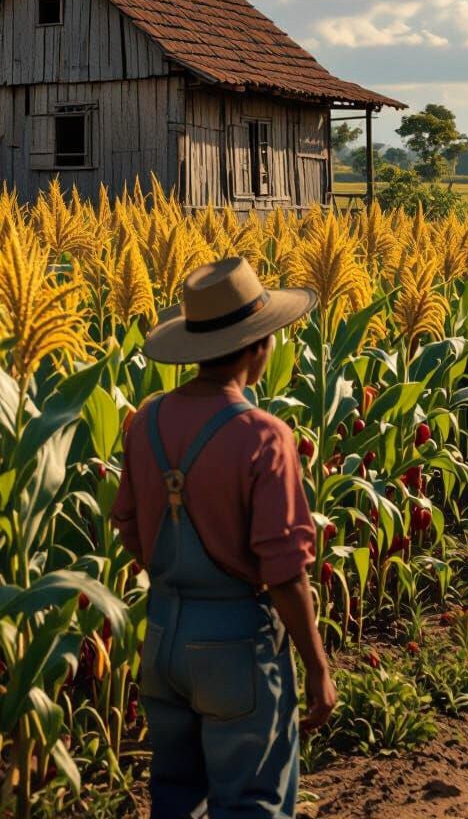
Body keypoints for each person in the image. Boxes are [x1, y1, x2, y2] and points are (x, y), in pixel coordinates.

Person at [112, 256, 336, 819]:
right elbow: (284, 572)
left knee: (175, 796)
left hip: (162, 640)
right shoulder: (264, 436)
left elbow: (127, 526)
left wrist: (173, 587)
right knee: (251, 803)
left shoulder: (145, 421)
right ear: (258, 346)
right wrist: (317, 666)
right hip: (236, 645)